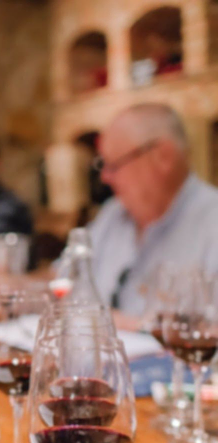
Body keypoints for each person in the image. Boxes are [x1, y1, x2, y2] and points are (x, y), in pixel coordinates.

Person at [88, 103, 218, 323]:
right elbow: (63, 279)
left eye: (113, 165)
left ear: (162, 157)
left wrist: (112, 323)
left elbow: (207, 335)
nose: (105, 177)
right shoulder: (112, 214)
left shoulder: (211, 221)